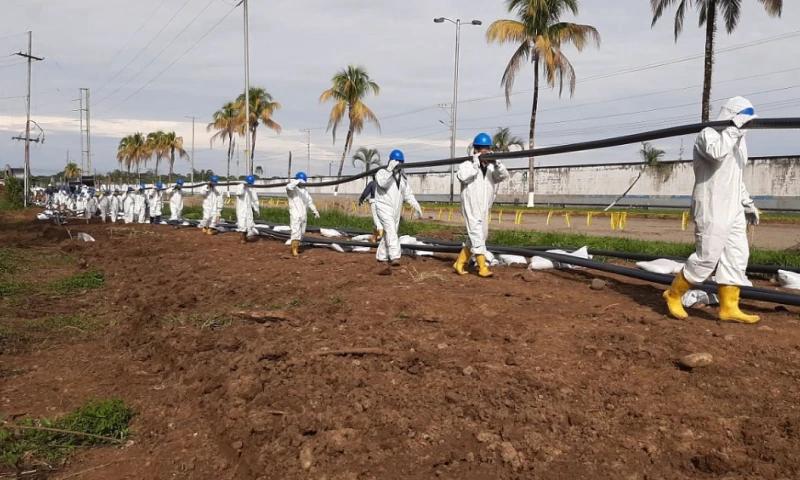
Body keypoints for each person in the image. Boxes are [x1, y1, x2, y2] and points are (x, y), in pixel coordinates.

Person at [663, 96, 761, 324]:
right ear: (733, 117)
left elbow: (736, 176)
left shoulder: (739, 141)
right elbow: (717, 153)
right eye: (744, 121)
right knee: (707, 256)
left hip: (733, 206)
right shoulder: (708, 134)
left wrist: (746, 202)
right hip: (712, 205)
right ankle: (674, 294)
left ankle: (729, 307)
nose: (746, 127)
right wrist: (735, 129)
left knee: (737, 255)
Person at [454, 132, 510, 278]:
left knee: (480, 236)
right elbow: (462, 177)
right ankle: (482, 267)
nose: (484, 151)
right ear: (475, 150)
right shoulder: (467, 165)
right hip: (471, 207)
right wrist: (475, 164)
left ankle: (459, 263)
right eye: (481, 148)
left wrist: (497, 163)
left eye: (486, 148)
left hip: (485, 208)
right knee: (477, 236)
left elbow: (503, 176)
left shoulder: (492, 168)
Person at [374, 149, 423, 270]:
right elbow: (382, 183)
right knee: (390, 230)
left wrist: (416, 207)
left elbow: (408, 194)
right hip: (383, 207)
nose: (398, 164)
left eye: (400, 162)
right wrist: (390, 170)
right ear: (390, 161)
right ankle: (395, 256)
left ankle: (382, 256)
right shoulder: (381, 173)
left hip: (395, 210)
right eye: (396, 161)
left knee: (390, 233)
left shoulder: (403, 179)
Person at [286, 172, 320, 257]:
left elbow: (309, 202)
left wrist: (314, 211)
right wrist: (297, 181)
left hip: (303, 214)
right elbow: (288, 187)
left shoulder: (305, 191)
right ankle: (294, 250)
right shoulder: (292, 191)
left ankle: (295, 246)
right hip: (295, 214)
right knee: (296, 231)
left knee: (301, 232)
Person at [235, 175, 260, 243]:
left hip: (248, 209)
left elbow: (255, 200)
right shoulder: (240, 187)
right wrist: (243, 186)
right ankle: (242, 238)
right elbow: (239, 193)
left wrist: (256, 209)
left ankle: (245, 237)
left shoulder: (252, 190)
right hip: (241, 209)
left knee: (249, 223)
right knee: (242, 223)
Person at [358, 178, 383, 243]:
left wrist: (361, 199)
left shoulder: (372, 183)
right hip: (384, 203)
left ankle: (382, 236)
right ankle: (374, 237)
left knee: (376, 220)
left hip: (375, 202)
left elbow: (365, 192)